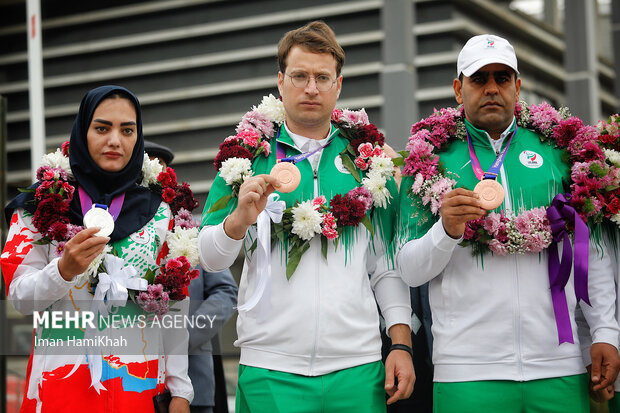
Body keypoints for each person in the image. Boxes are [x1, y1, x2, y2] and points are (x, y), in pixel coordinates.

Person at [396, 34, 620, 413]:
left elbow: (590, 253)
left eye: (502, 78)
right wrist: (446, 230)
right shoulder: (431, 160)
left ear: (517, 86)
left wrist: (605, 333)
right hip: (467, 374)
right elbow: (408, 269)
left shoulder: (558, 153)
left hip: (558, 367)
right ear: (458, 88)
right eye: (479, 79)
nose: (491, 89)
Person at [199, 21, 414, 413]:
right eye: (299, 76)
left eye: (321, 77)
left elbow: (386, 266)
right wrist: (238, 221)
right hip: (270, 369)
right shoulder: (246, 156)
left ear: (338, 86)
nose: (311, 88)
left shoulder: (368, 161)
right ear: (280, 82)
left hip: (357, 367)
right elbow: (211, 259)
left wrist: (400, 342)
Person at [1, 86, 194, 413]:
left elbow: (174, 306)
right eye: (102, 128)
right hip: (62, 384)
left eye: (127, 130)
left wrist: (180, 390)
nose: (115, 140)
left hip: (138, 386)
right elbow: (20, 298)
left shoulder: (161, 211)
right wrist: (62, 272)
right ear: (82, 131)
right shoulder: (42, 205)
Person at [143, 139, 238, 413]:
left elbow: (225, 294)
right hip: (130, 380)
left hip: (194, 382)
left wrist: (182, 335)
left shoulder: (193, 229)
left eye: (161, 169)